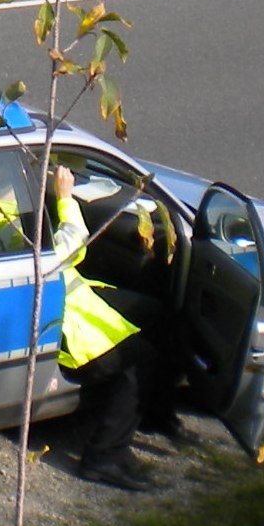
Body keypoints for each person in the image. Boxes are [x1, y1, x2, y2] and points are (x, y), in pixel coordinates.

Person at [47, 163, 185, 491]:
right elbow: (71, 246)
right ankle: (103, 458)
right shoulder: (0, 213)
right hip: (68, 324)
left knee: (158, 314)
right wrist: (65, 199)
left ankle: (147, 412)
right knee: (138, 362)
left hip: (79, 296)